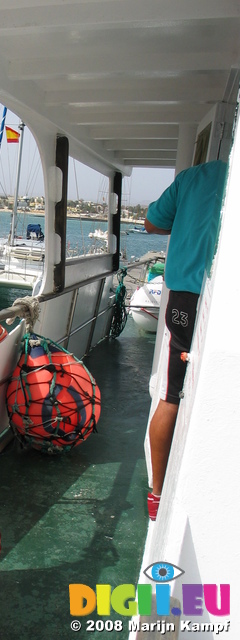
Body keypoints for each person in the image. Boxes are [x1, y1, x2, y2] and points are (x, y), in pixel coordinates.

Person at [144, 159, 227, 521]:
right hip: (219, 296)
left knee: (171, 394)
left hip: (183, 298)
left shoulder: (197, 175)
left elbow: (152, 222)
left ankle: (157, 496)